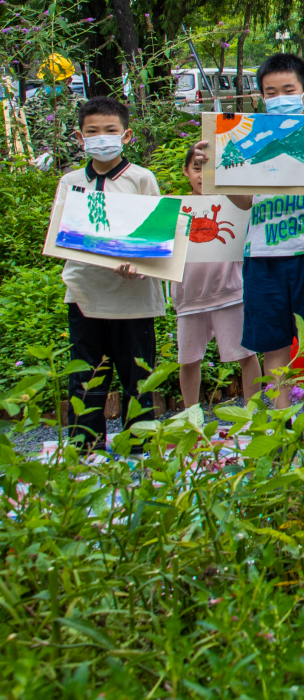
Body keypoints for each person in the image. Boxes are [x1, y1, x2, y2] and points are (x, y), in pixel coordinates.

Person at [188, 53, 304, 407]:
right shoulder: (244, 144)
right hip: (261, 256)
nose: (280, 97)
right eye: (271, 92)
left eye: (289, 89)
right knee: (274, 346)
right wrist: (216, 174)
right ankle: (280, 423)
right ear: (261, 98)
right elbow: (243, 203)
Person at [58, 97, 166, 446]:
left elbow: (157, 235)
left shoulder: (141, 178)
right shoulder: (70, 182)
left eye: (110, 130)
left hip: (134, 299)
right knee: (86, 377)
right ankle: (86, 447)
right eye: (92, 131)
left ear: (127, 134)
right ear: (79, 137)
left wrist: (140, 262)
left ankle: (138, 446)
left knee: (137, 376)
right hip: (85, 294)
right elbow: (60, 233)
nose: (101, 137)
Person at [177, 144, 262, 407]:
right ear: (186, 172)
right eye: (197, 168)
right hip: (187, 298)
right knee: (188, 359)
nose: (203, 174)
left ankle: (253, 414)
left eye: (210, 168)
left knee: (246, 354)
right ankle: (191, 418)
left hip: (230, 293)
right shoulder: (175, 208)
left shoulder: (235, 204)